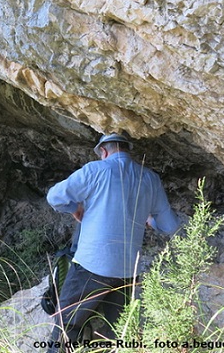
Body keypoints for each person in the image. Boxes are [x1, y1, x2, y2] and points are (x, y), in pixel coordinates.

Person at [45, 133, 179, 350]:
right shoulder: (150, 179)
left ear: (103, 152)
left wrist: (75, 208)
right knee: (116, 335)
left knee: (65, 327)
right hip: (127, 271)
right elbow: (170, 225)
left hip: (91, 265)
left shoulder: (95, 170)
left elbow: (54, 197)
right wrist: (150, 220)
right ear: (127, 150)